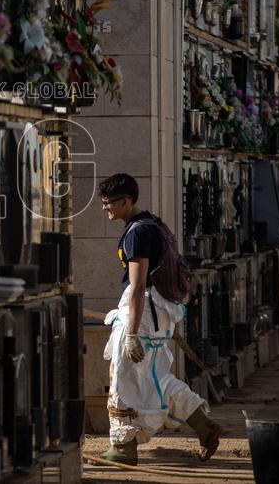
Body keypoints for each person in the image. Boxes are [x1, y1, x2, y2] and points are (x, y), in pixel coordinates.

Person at [97, 173, 222, 465]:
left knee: (123, 379)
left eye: (108, 203)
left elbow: (138, 285)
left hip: (142, 313)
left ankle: (123, 448)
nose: (105, 209)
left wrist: (129, 335)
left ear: (126, 200)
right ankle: (204, 426)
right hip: (159, 312)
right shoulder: (152, 223)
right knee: (158, 378)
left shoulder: (138, 233)